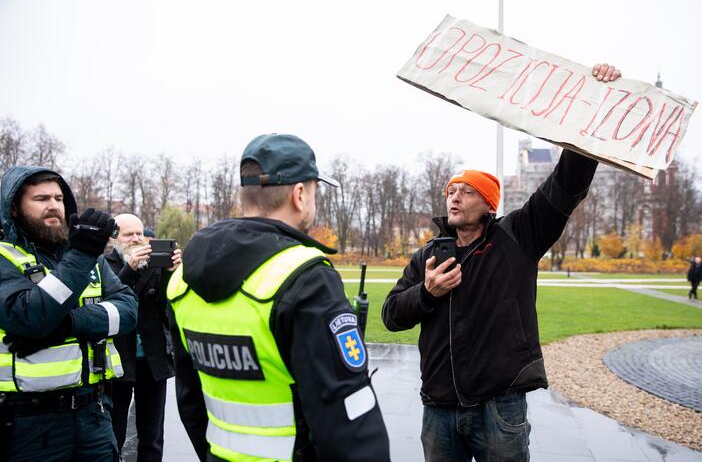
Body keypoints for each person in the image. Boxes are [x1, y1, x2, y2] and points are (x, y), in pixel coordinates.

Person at [382, 64, 622, 462]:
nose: (454, 198)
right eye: (451, 192)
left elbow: (567, 183)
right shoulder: (429, 255)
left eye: (466, 192)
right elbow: (391, 315)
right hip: (438, 408)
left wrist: (596, 101)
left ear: (488, 203)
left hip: (500, 408)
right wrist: (427, 293)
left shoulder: (518, 237)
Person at [167, 133, 390, 461]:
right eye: (315, 190)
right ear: (300, 194)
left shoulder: (181, 279)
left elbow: (190, 399)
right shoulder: (304, 275)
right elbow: (347, 416)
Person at [0, 167, 138, 461]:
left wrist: (68, 324)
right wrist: (81, 257)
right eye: (41, 198)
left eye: (59, 198)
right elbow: (29, 316)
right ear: (14, 207)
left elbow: (127, 309)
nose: (53, 205)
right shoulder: (5, 258)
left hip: (94, 414)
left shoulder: (87, 257)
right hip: (30, 422)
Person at [104, 214, 181, 461]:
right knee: (113, 432)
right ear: (114, 238)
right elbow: (108, 301)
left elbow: (169, 306)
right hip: (117, 360)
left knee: (152, 433)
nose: (137, 238)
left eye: (140, 233)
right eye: (129, 234)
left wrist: (171, 273)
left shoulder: (156, 264)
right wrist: (130, 270)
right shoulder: (103, 264)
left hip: (152, 358)